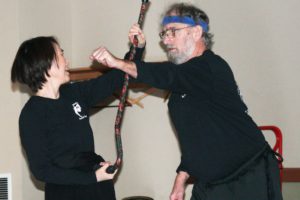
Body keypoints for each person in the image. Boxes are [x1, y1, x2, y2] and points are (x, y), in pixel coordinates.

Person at [90, 3, 283, 200]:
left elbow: (167, 74)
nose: (166, 40)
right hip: (210, 185)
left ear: (197, 32)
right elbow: (195, 138)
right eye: (164, 34)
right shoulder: (183, 83)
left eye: (173, 31)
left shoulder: (210, 67)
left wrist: (117, 62)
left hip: (247, 177)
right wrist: (181, 178)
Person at [11, 36, 144, 200]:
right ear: (46, 63)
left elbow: (115, 79)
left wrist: (137, 48)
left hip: (97, 188)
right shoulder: (32, 114)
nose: (66, 62)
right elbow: (42, 171)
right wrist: (92, 177)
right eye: (61, 54)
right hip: (66, 193)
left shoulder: (74, 93)